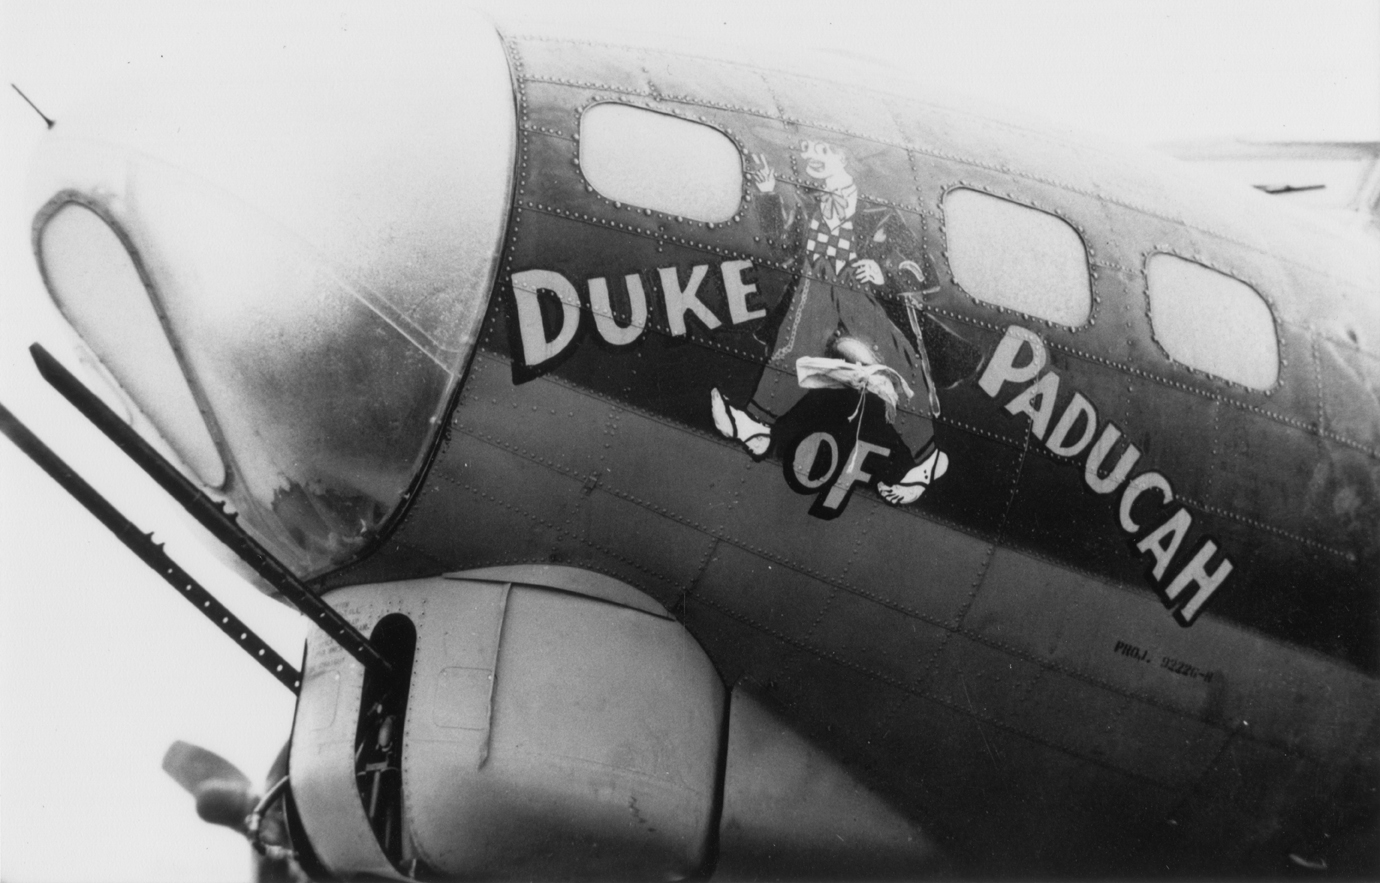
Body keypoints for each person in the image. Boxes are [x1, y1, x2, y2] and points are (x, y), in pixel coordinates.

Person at [711, 140, 947, 505]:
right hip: (819, 290)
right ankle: (756, 425)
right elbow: (783, 245)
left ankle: (926, 460)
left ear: (843, 158)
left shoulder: (879, 214)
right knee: (801, 332)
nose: (811, 158)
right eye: (807, 151)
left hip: (860, 299)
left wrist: (883, 274)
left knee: (895, 371)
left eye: (821, 150)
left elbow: (925, 275)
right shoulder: (809, 206)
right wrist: (768, 192)